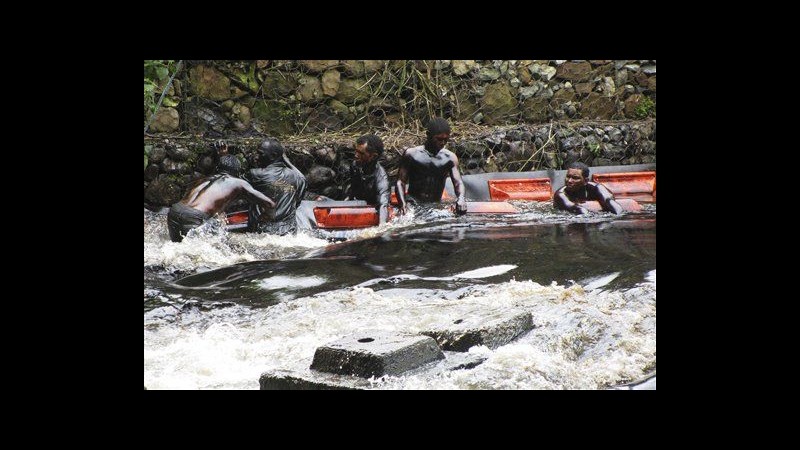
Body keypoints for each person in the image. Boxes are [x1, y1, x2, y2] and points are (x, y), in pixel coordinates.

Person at [167, 154, 275, 242]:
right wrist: (265, 217)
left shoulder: (204, 179)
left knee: (177, 247)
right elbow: (269, 203)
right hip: (195, 216)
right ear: (237, 171)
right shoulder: (238, 183)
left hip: (174, 211)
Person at [395, 117, 467, 215]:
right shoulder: (411, 154)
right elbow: (400, 182)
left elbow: (458, 182)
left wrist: (461, 198)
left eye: (446, 139)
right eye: (439, 139)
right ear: (428, 135)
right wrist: (402, 204)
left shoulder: (450, 158)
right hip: (412, 203)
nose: (442, 143)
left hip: (435, 205)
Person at [246, 138, 307, 235]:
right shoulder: (296, 177)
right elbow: (301, 185)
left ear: (273, 156)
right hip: (290, 232)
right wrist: (286, 160)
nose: (256, 157)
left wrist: (223, 156)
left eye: (260, 154)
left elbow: (231, 183)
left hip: (264, 232)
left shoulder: (256, 175)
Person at [344, 134, 391, 224]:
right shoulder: (355, 166)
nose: (356, 155)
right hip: (358, 204)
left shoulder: (381, 179)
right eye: (356, 151)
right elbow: (353, 190)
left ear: (373, 156)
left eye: (361, 153)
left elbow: (383, 207)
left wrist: (381, 229)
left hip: (371, 212)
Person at [553, 162, 624, 215]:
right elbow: (578, 210)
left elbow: (611, 203)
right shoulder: (560, 194)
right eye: (568, 176)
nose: (569, 181)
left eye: (575, 178)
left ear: (586, 181)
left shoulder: (597, 188)